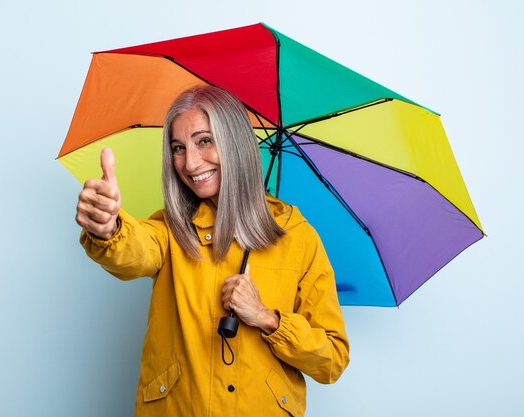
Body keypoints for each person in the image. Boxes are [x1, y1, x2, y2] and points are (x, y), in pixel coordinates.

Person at [76, 86, 349, 417]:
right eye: (178, 147)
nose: (190, 163)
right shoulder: (172, 229)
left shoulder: (298, 237)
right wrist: (108, 228)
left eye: (204, 141)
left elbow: (331, 360)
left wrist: (266, 318)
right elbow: (136, 250)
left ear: (234, 143)